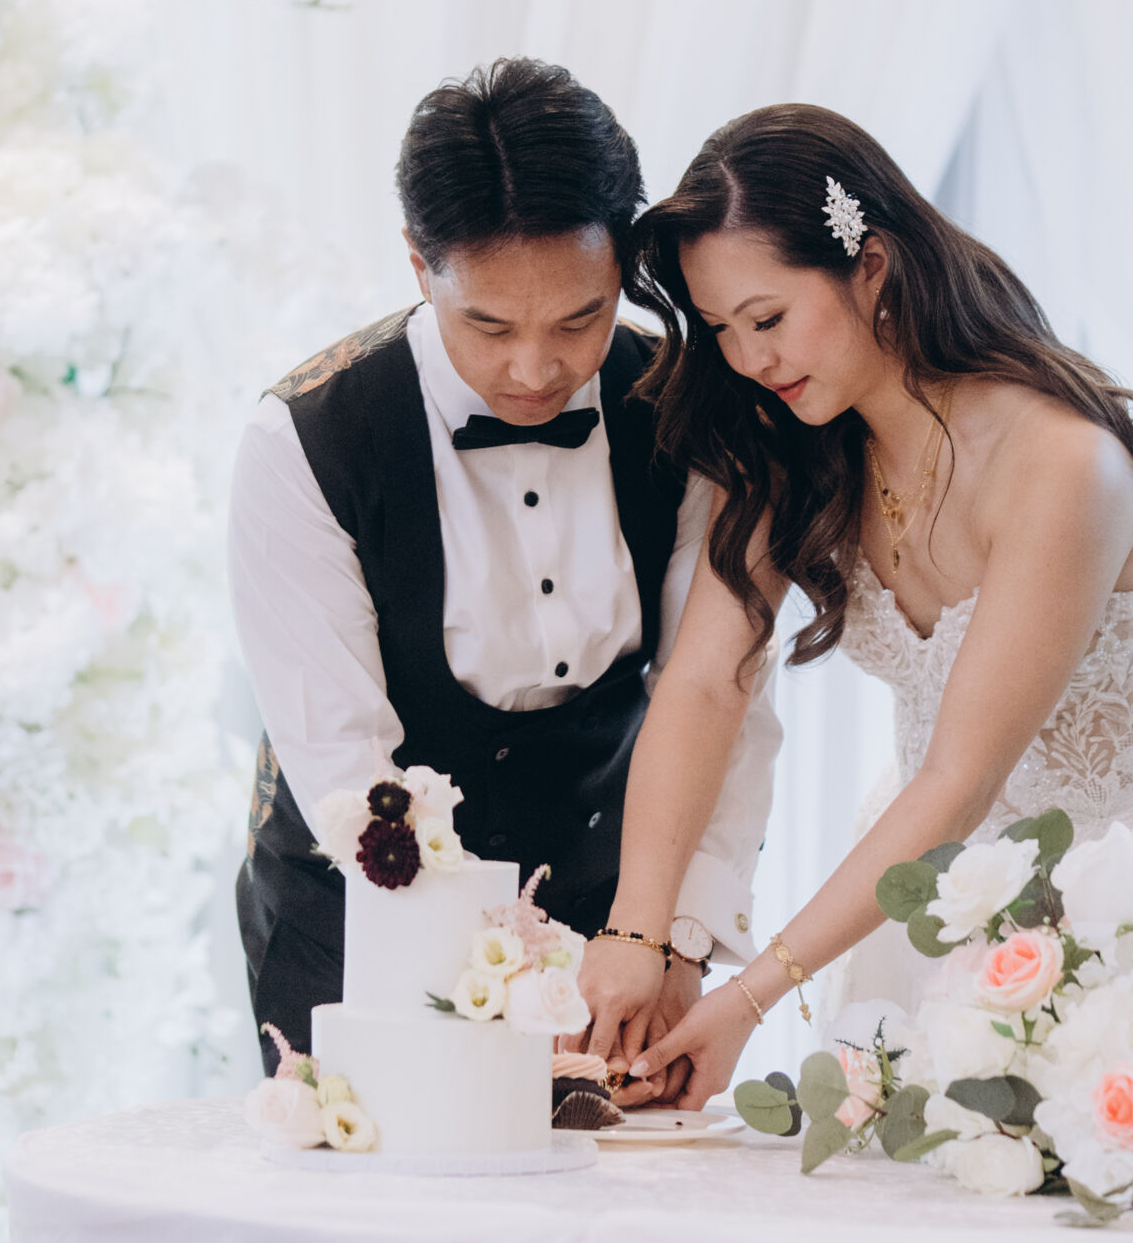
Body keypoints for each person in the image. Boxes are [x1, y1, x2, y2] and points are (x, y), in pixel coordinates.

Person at [585, 104, 1133, 1109]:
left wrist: (748, 998)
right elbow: (702, 683)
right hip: (932, 896)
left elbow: (960, 779)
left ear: (871, 265)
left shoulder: (1061, 466)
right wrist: (637, 931)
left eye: (768, 319)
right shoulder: (796, 447)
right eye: (723, 330)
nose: (747, 361)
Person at [230, 58, 780, 1073]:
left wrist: (678, 936)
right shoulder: (304, 441)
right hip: (359, 916)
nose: (535, 369)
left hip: (617, 912)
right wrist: (508, 984)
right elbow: (347, 764)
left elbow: (718, 692)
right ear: (418, 266)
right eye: (487, 324)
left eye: (581, 319)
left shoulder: (684, 411)